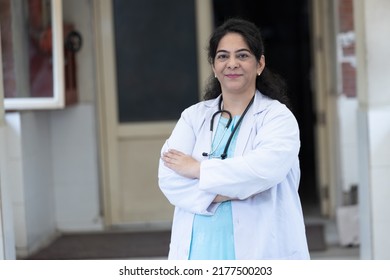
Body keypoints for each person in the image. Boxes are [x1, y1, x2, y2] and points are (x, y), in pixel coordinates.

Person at [158, 18, 310, 260]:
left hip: (260, 250)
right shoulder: (193, 117)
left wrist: (197, 169)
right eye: (222, 56)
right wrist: (238, 188)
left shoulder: (277, 118)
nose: (232, 64)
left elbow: (262, 172)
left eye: (242, 56)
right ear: (213, 66)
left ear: (259, 64)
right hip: (199, 248)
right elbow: (169, 179)